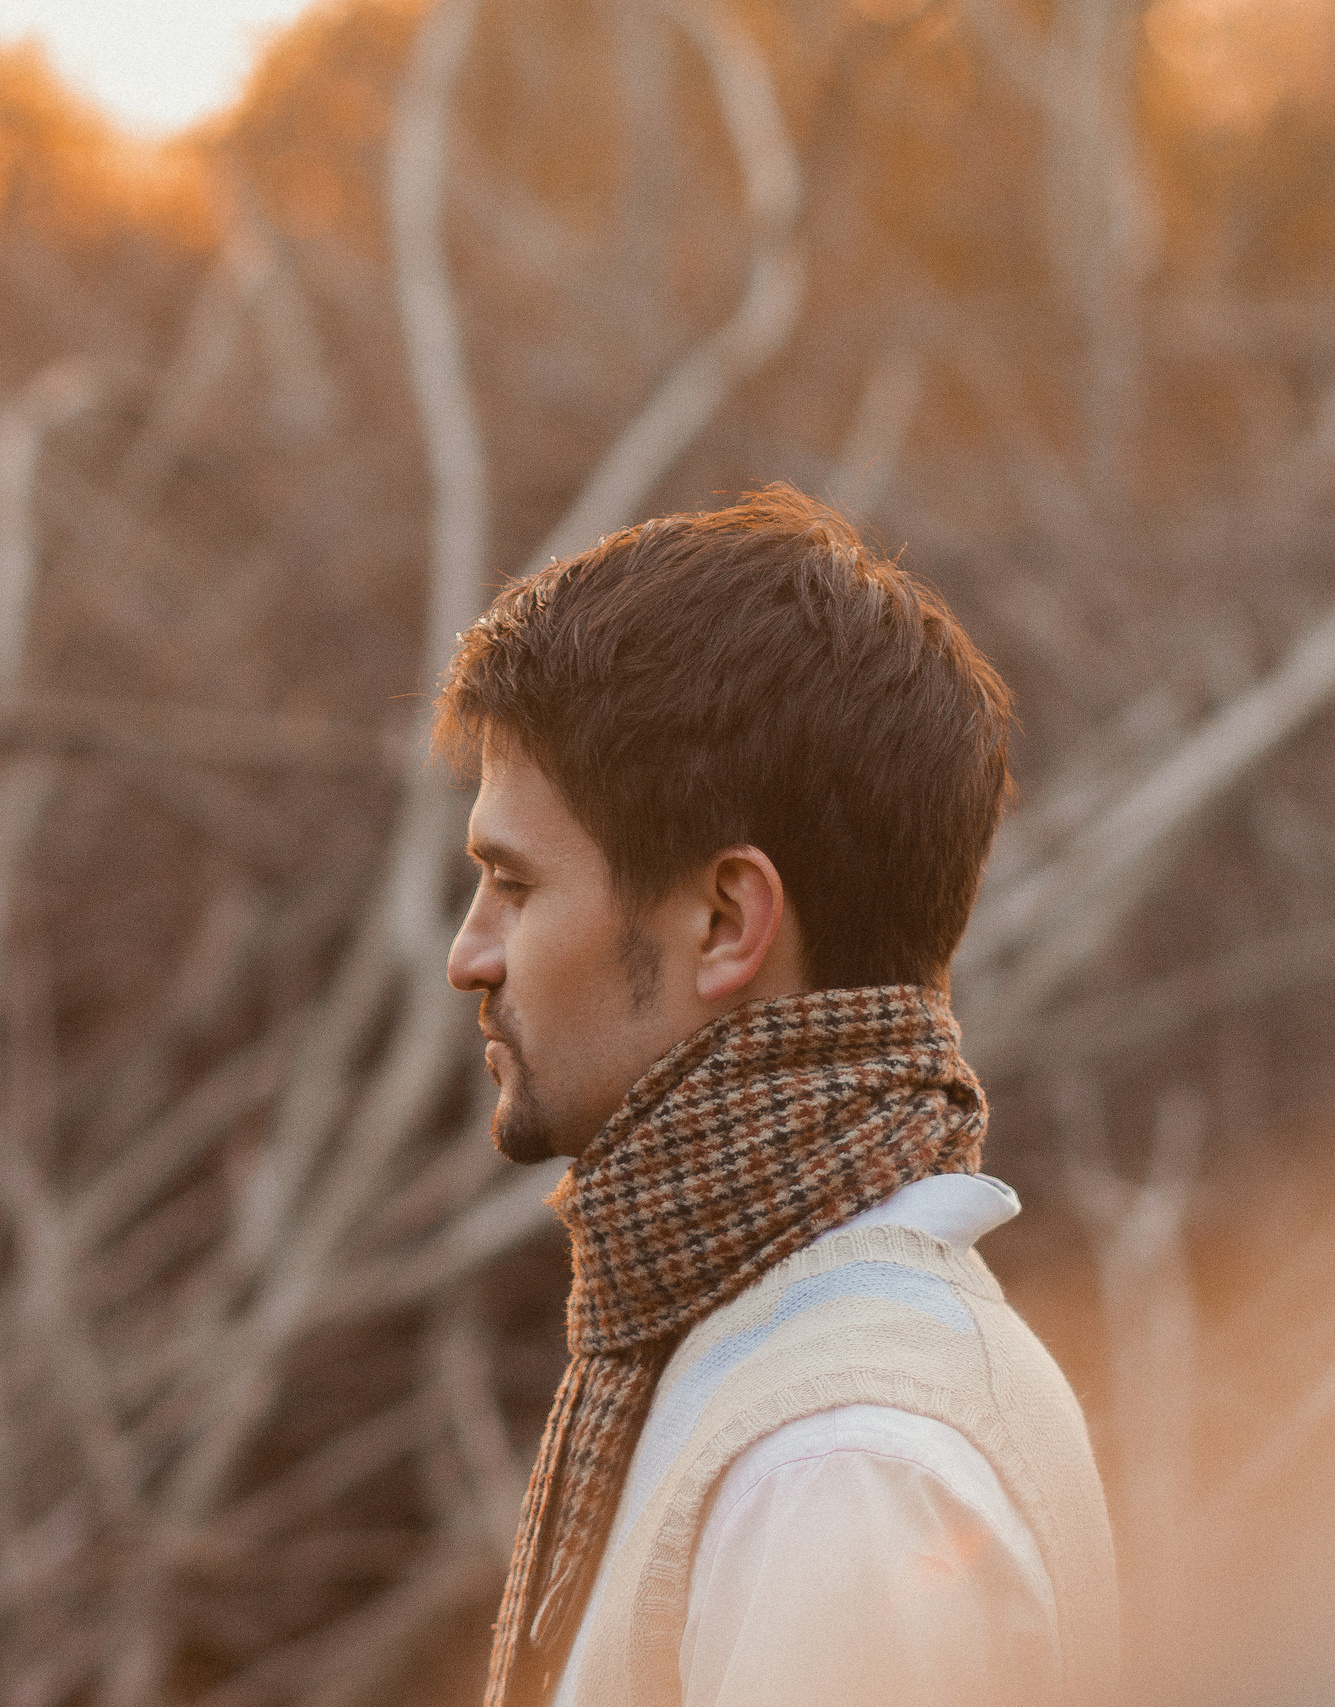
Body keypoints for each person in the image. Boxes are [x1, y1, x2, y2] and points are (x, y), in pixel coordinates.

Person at [438, 490, 1117, 1707]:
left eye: (513, 884)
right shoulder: (772, 1363)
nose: (469, 953)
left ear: (723, 922)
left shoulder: (833, 1475)